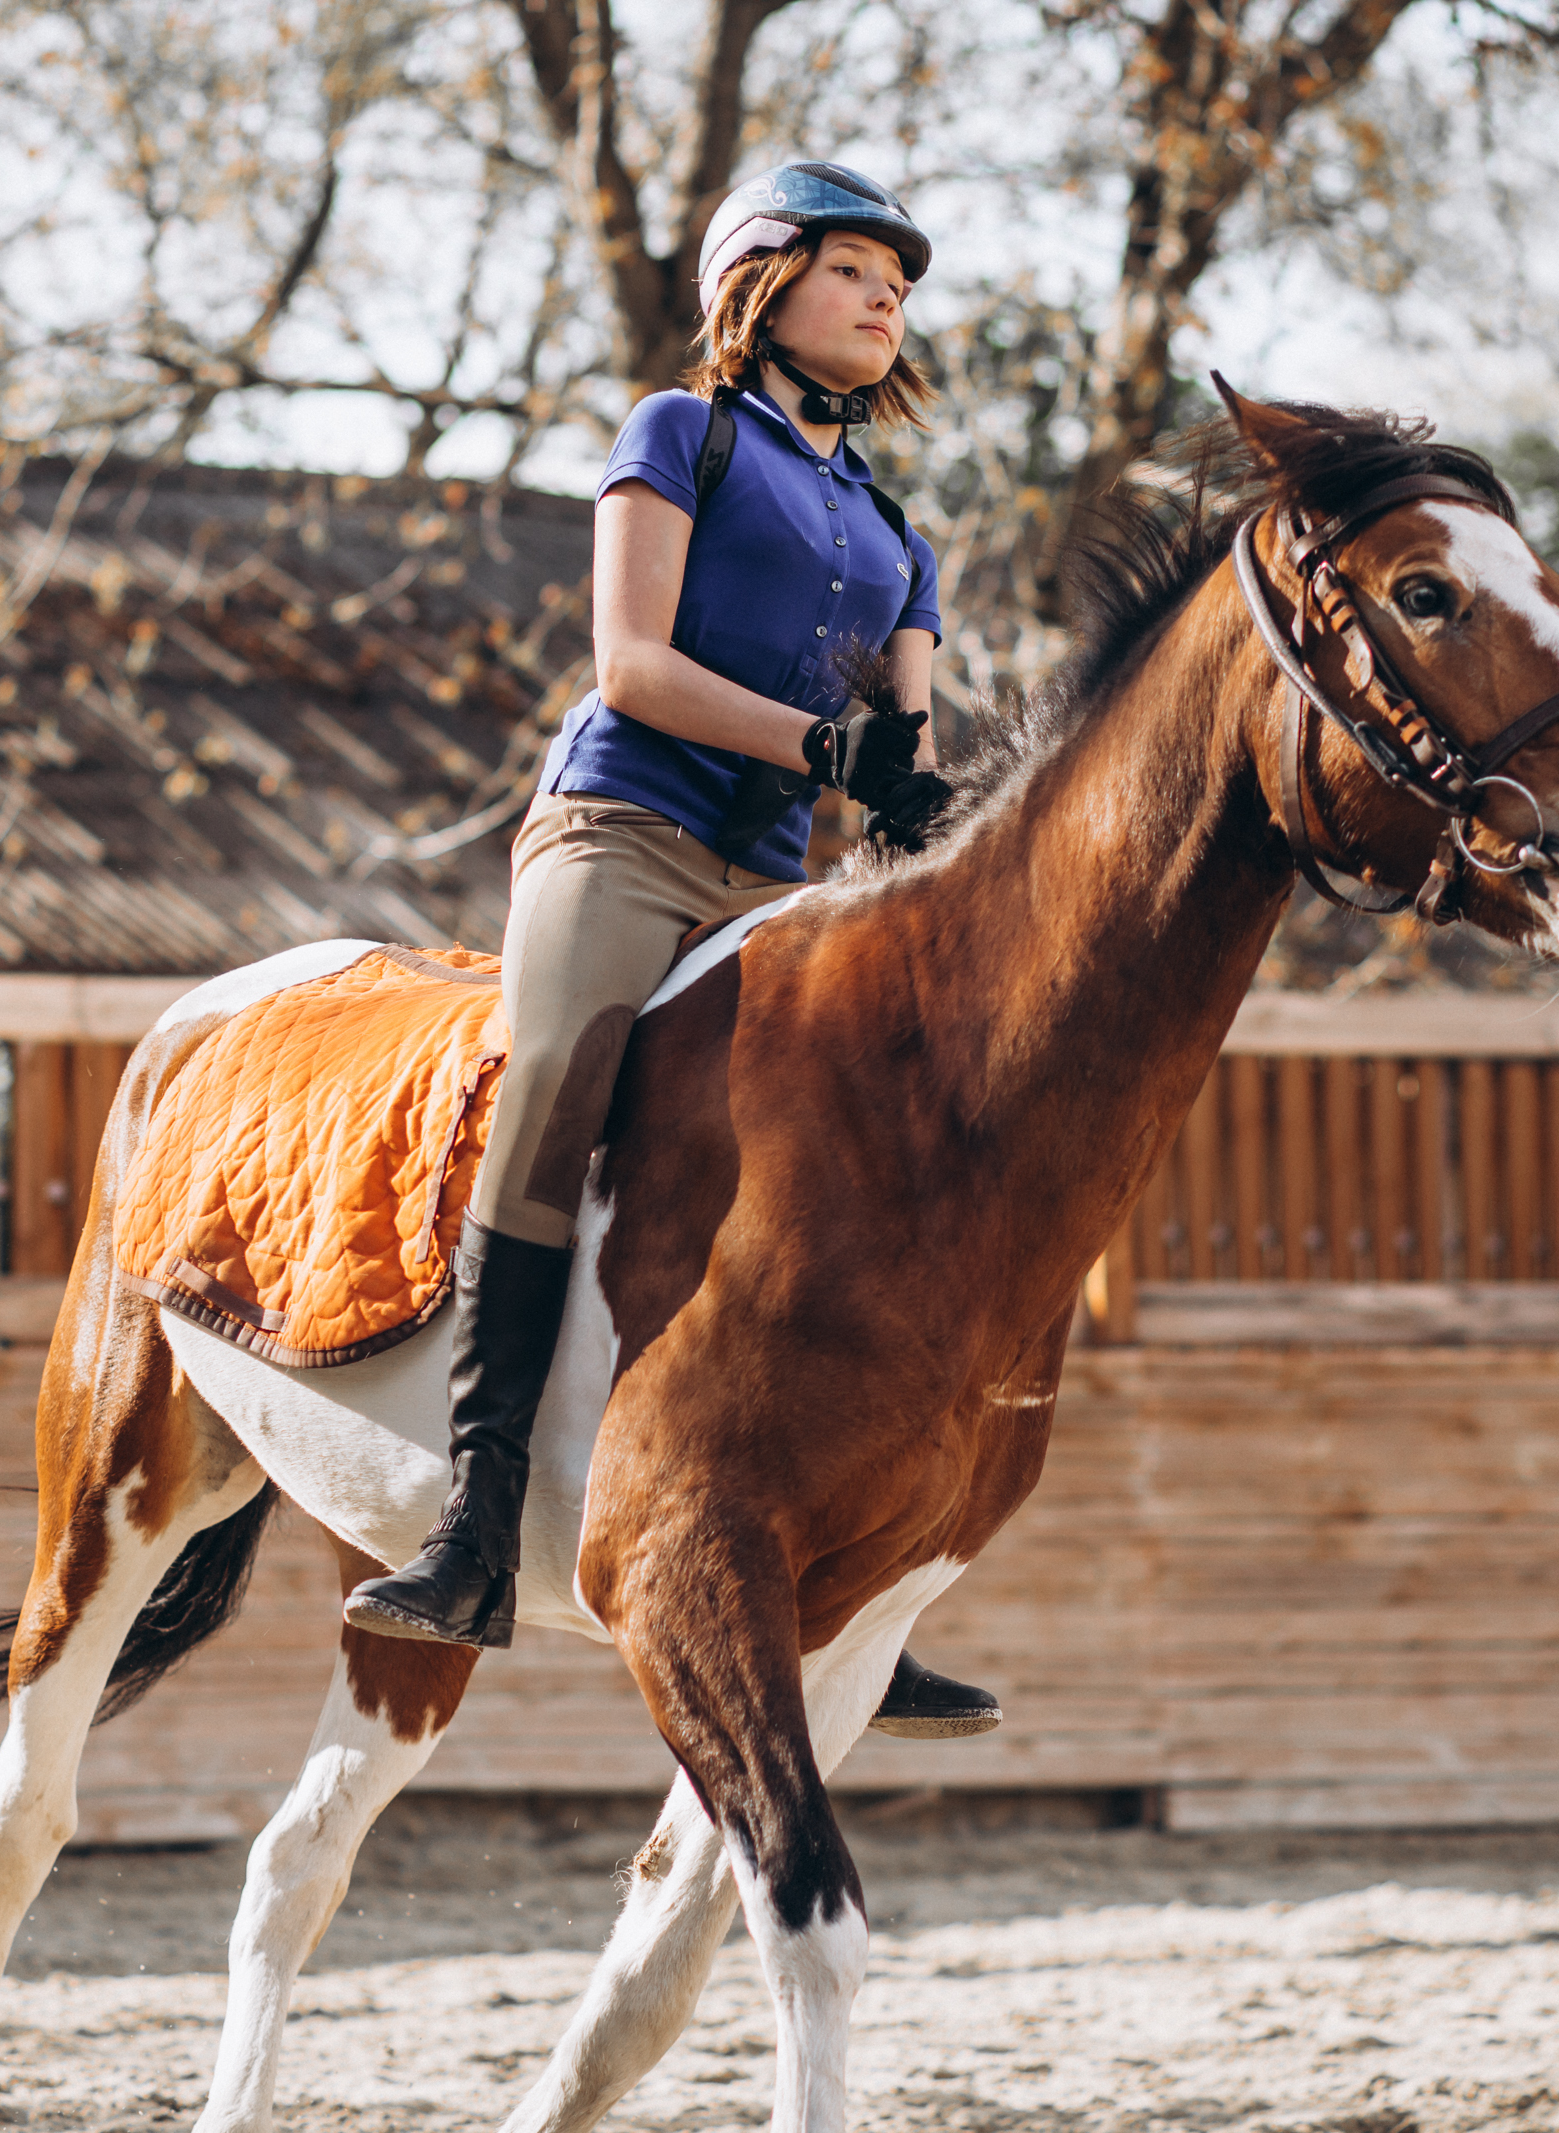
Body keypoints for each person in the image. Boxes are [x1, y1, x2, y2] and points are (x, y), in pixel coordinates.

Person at [344, 162, 1001, 1743]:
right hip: (625, 832)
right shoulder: (680, 434)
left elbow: (898, 745)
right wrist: (828, 744)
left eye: (896, 282)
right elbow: (631, 665)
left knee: (855, 1154)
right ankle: (474, 1517)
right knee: (557, 1094)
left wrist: (928, 800)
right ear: (762, 280)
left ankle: (856, 1555)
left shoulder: (896, 532)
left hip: (773, 875)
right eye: (854, 268)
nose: (883, 297)